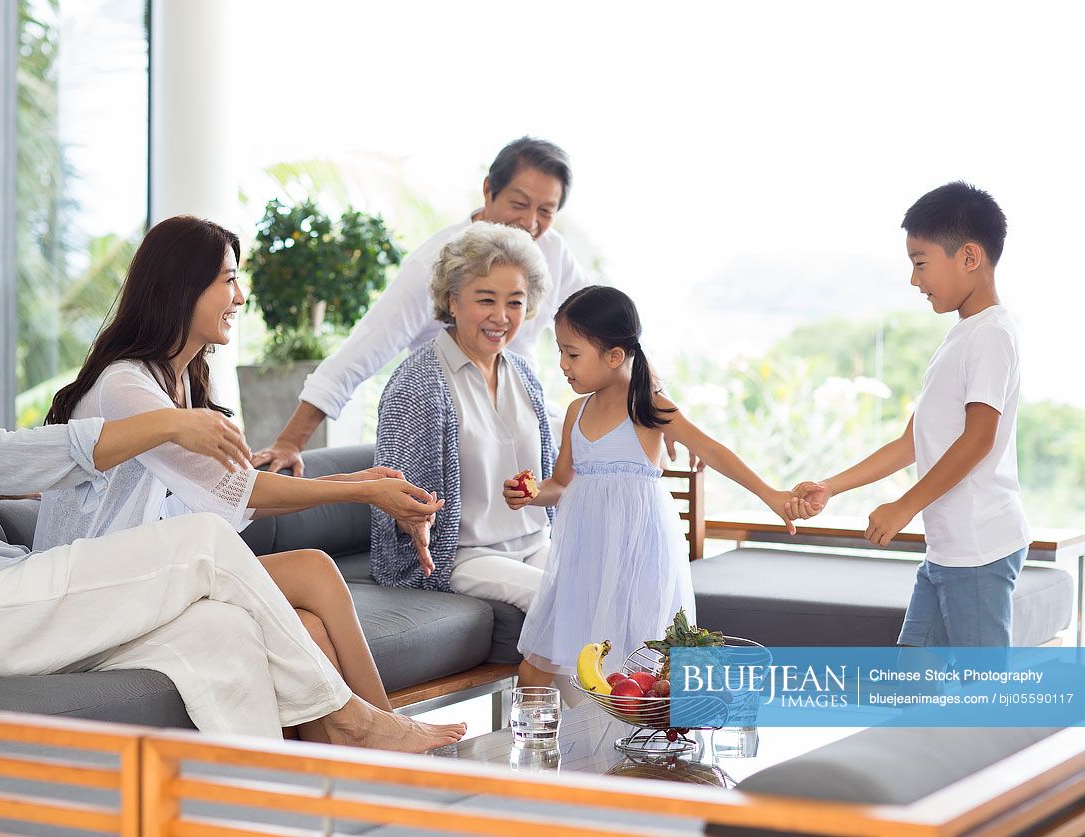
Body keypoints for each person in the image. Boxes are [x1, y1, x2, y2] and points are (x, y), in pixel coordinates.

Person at [0, 231, 463, 750]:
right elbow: (4, 457)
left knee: (222, 632)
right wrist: (165, 422)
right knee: (205, 544)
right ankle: (356, 722)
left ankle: (262, 806)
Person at [37, 215, 442, 712]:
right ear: (182, 288)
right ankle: (387, 738)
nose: (241, 297)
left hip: (145, 579)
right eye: (229, 279)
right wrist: (360, 491)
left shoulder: (179, 383)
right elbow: (241, 491)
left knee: (311, 628)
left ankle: (358, 762)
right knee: (314, 570)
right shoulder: (127, 387)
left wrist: (356, 480)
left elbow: (231, 489)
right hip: (95, 595)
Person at [508, 286, 798, 687]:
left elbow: (712, 451)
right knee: (539, 662)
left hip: (638, 556)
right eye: (559, 351)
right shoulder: (577, 411)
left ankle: (642, 744)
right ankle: (531, 742)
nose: (562, 364)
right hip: (582, 559)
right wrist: (532, 494)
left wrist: (772, 495)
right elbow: (561, 483)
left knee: (636, 664)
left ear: (613, 356)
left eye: (572, 353)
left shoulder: (648, 404)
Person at [253, 136, 588, 476]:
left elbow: (600, 322)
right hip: (454, 421)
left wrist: (640, 386)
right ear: (489, 190)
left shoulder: (552, 251)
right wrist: (289, 442)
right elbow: (361, 352)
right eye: (519, 204)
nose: (530, 222)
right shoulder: (435, 263)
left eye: (546, 211)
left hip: (522, 416)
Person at [789, 182, 1029, 647]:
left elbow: (978, 440)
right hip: (947, 550)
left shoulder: (992, 335)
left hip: (978, 550)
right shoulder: (961, 336)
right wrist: (830, 487)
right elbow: (909, 443)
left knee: (979, 699)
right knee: (912, 682)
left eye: (921, 264)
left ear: (969, 257)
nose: (915, 280)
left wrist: (905, 506)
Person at [371, 222, 555, 609]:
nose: (502, 317)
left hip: (537, 542)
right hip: (462, 556)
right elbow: (392, 495)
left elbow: (549, 478)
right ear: (452, 301)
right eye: (486, 299)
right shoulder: (416, 385)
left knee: (610, 584)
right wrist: (411, 517)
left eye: (515, 302)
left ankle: (674, 672)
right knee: (558, 597)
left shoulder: (523, 375)